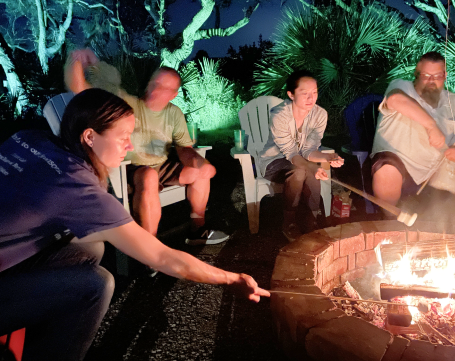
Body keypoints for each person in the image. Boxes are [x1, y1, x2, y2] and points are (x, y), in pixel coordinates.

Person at [0, 88, 269, 361]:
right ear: (89, 136)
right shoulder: (74, 186)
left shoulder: (28, 138)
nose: (130, 146)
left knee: (91, 248)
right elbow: (162, 256)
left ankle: (45, 327)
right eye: (123, 138)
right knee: (97, 284)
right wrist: (231, 278)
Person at [64, 49, 228, 245]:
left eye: (163, 87)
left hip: (161, 167)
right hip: (128, 169)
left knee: (199, 173)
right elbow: (81, 91)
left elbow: (184, 147)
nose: (155, 90)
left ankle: (197, 229)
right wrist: (75, 60)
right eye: (155, 83)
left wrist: (198, 162)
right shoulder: (127, 104)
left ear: (173, 95)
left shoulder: (174, 113)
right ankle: (149, 249)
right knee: (149, 176)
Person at [371, 51, 455, 208]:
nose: (431, 81)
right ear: (417, 74)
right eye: (426, 75)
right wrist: (431, 126)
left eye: (437, 76)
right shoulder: (401, 86)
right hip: (403, 166)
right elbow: (395, 100)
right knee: (386, 170)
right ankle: (391, 222)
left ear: (445, 75)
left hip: (442, 170)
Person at [259, 70, 344, 241]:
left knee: (308, 171)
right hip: (273, 162)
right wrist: (311, 166)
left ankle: (310, 220)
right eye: (304, 94)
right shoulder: (279, 115)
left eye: (314, 93)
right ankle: (289, 222)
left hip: (300, 161)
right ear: (291, 94)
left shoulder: (319, 115)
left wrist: (328, 158)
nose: (311, 98)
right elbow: (291, 153)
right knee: (300, 171)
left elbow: (308, 149)